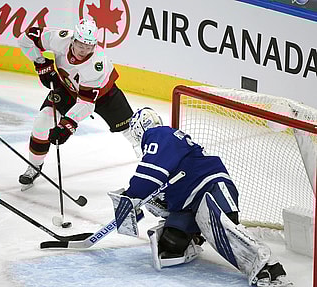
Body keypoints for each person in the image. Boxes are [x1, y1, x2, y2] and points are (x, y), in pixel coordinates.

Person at [109, 107, 292, 287]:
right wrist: (153, 203)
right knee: (170, 245)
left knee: (224, 229)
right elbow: (165, 196)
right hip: (189, 203)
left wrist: (132, 195)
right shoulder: (163, 144)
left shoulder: (160, 134)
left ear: (140, 129)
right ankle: (196, 236)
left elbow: (149, 175)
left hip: (210, 186)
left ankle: (269, 268)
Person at [17, 18, 137, 190]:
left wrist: (67, 124)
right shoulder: (60, 39)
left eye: (89, 46)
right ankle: (35, 166)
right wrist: (40, 62)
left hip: (105, 96)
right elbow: (26, 39)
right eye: (81, 45)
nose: (84, 50)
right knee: (42, 123)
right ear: (73, 39)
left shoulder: (96, 64)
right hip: (67, 89)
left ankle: (154, 174)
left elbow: (87, 103)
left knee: (134, 132)